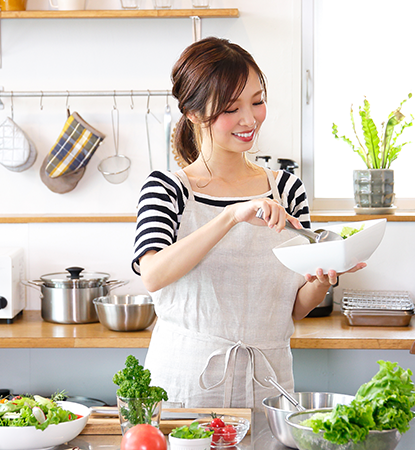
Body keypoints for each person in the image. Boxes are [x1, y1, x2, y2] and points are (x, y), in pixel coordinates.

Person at [131, 37, 366, 410]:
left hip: (268, 385)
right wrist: (230, 216)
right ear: (192, 113)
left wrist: (321, 281)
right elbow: (153, 274)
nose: (249, 119)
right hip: (183, 387)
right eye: (230, 108)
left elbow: (295, 307)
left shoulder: (287, 188)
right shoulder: (167, 189)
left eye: (257, 102)